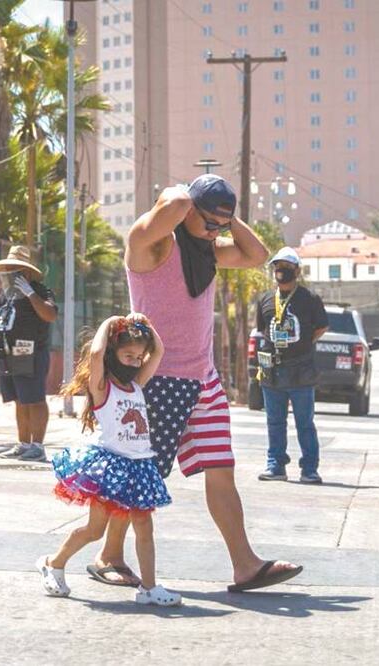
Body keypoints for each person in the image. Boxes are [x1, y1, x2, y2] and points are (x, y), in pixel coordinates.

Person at [91, 174, 303, 592]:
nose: (213, 232)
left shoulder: (206, 253)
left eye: (218, 227)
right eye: (207, 222)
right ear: (187, 210)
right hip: (157, 380)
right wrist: (188, 196)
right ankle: (108, 555)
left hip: (204, 380)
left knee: (222, 469)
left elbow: (256, 254)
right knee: (139, 473)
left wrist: (225, 219)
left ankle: (245, 564)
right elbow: (170, 207)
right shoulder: (149, 245)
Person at [36, 315, 180, 606]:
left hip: (139, 466)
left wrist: (147, 324)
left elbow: (159, 352)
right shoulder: (102, 388)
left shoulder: (137, 384)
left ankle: (149, 588)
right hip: (112, 467)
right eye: (128, 356)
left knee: (144, 526)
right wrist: (111, 322)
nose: (136, 362)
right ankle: (54, 562)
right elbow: (96, 353)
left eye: (139, 357)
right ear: (114, 354)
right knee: (94, 530)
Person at [253, 247, 329, 484]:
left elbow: (321, 327)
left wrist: (303, 344)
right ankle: (276, 466)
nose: (280, 271)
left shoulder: (309, 299)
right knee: (274, 422)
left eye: (286, 267)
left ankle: (309, 469)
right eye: (277, 266)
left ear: (296, 270)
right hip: (271, 372)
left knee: (304, 422)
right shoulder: (265, 299)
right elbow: (262, 329)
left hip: (301, 372)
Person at [0, 246, 58, 462]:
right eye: (8, 268)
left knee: (35, 398)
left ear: (26, 272)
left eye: (15, 268)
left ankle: (37, 445)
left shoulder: (39, 290)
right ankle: (24, 443)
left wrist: (30, 293)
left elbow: (50, 314)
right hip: (8, 352)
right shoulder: (4, 293)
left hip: (32, 352)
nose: (10, 271)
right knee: (19, 399)